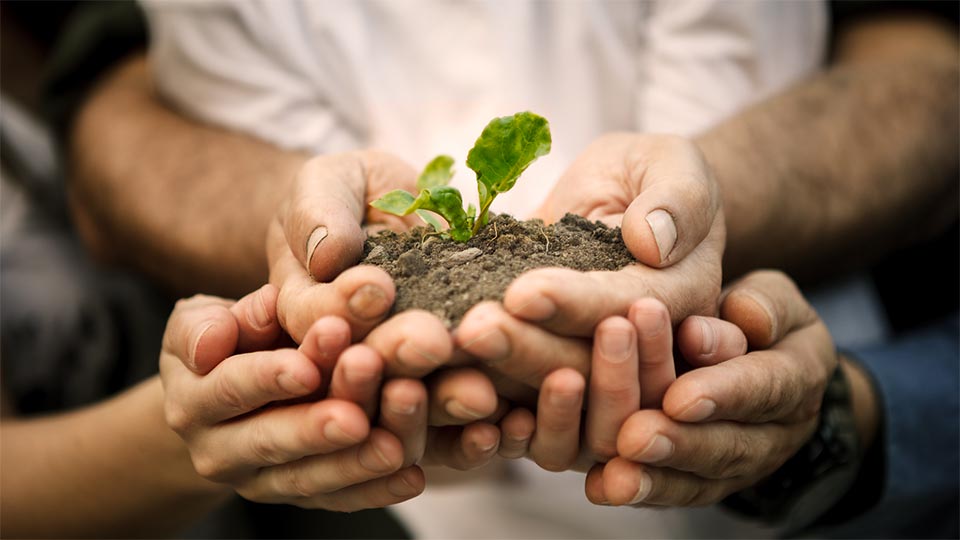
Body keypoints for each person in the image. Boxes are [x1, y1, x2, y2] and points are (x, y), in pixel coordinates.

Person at [50, 0, 957, 538]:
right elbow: (110, 103)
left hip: (804, 431)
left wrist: (700, 200)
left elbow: (923, 69)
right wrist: (316, 233)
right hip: (411, 504)